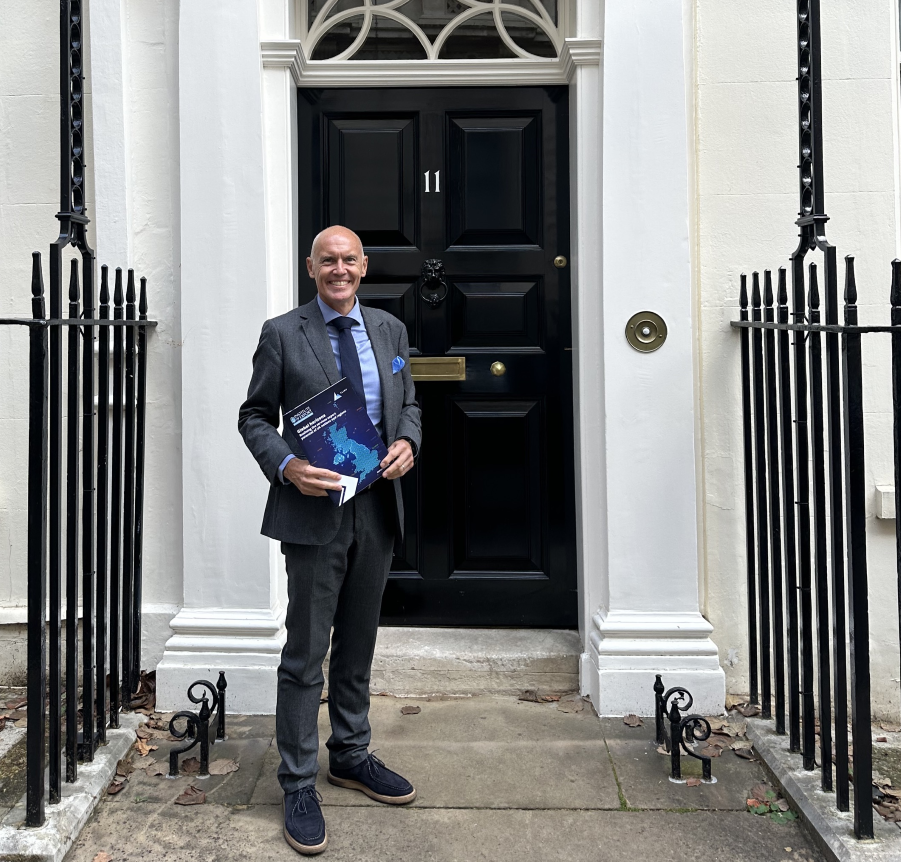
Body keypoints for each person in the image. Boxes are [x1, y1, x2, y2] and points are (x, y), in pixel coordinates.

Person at [238, 225, 422, 855]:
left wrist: (407, 442)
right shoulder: (283, 333)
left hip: (376, 508)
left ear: (363, 267)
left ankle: (349, 753)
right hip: (314, 511)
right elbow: (255, 415)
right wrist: (287, 466)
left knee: (358, 643)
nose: (339, 270)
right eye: (328, 261)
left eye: (349, 260)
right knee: (306, 649)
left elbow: (409, 402)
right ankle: (296, 781)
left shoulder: (391, 332)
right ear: (310, 267)